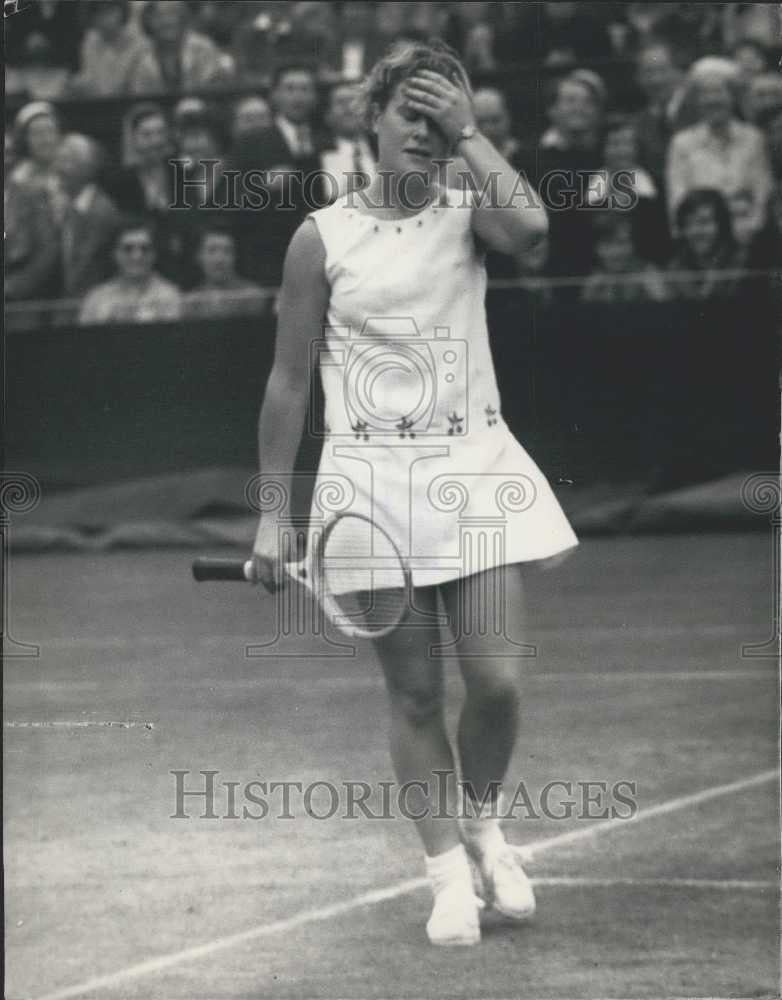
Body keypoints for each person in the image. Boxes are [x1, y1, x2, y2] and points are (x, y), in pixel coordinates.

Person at [249, 39, 577, 947]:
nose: (427, 137)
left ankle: (481, 823)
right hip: (365, 486)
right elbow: (287, 383)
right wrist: (275, 513)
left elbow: (536, 230)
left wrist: (471, 131)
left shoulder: (475, 212)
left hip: (473, 472)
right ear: (372, 121)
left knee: (498, 684)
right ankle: (445, 877)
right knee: (416, 696)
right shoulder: (319, 238)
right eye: (413, 118)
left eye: (444, 122)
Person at [666, 70, 773, 242]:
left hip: (748, 234)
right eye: (705, 94)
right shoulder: (681, 143)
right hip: (701, 236)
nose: (712, 100)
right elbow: (677, 199)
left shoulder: (754, 139)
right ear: (696, 102)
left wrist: (751, 230)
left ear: (732, 97)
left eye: (719, 91)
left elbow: (762, 193)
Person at [54, 133, 122, 301]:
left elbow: (82, 273)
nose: (58, 168)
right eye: (58, 160)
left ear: (86, 168)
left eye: (65, 160)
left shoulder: (102, 212)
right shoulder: (69, 208)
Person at [79, 220, 182, 324]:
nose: (136, 256)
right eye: (128, 249)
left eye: (145, 249)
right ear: (115, 254)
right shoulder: (96, 299)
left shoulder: (171, 297)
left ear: (154, 254)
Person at [129, 0, 234, 94]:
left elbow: (211, 87)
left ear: (182, 18)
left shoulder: (202, 47)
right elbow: (138, 94)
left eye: (171, 14)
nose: (166, 22)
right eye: (158, 16)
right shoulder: (139, 53)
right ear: (148, 22)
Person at [666, 188, 745, 301]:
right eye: (688, 224)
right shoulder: (676, 267)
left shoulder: (743, 263)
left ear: (722, 225)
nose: (695, 231)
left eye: (704, 222)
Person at [183, 228, 268, 318]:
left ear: (235, 257)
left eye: (227, 251)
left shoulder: (253, 295)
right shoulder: (191, 302)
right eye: (212, 250)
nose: (219, 259)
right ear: (198, 256)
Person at [69, 0, 147, 96]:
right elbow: (88, 77)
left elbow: (138, 88)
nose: (104, 18)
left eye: (110, 10)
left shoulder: (139, 44)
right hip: (97, 104)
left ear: (122, 11)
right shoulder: (90, 40)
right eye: (97, 12)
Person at [319, 82, 377, 201]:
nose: (349, 108)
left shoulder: (384, 149)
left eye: (355, 101)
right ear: (327, 115)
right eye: (341, 102)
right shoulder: (316, 155)